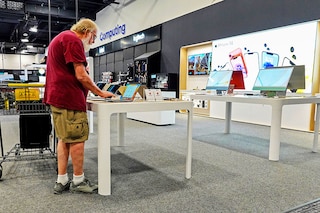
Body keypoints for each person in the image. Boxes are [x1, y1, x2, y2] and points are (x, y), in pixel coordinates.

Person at [43, 18, 115, 194]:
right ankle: (78, 179)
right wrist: (100, 92)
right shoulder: (73, 40)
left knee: (64, 138)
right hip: (69, 99)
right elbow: (81, 76)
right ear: (87, 31)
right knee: (77, 138)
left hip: (58, 98)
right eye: (94, 37)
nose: (93, 41)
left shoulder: (61, 38)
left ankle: (62, 180)